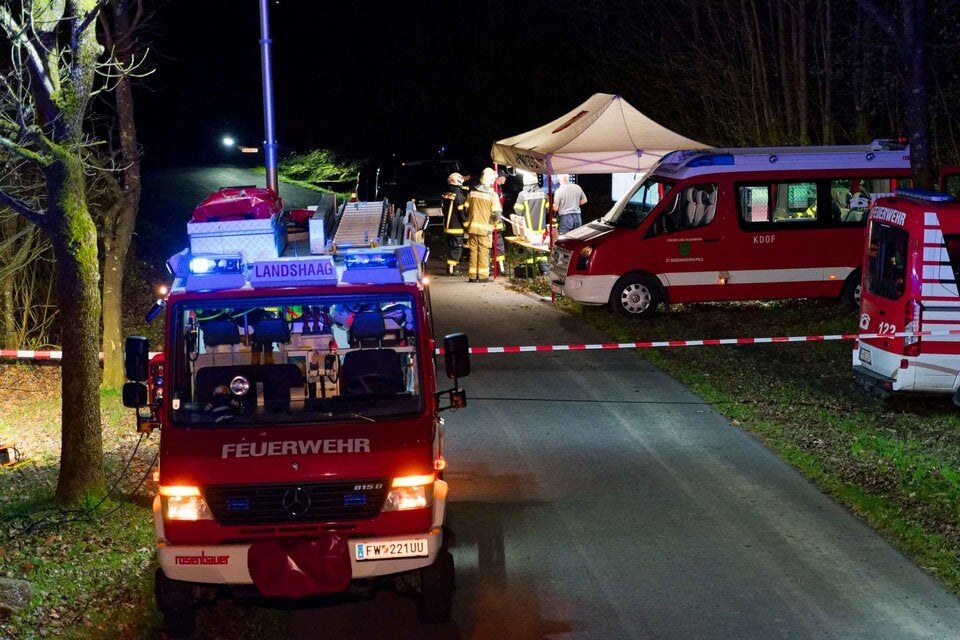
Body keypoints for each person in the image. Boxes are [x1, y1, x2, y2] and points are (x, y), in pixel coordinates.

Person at [464, 167, 502, 282]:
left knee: (473, 251)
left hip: (472, 228)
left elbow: (466, 210)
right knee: (484, 252)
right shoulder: (492, 195)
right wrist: (494, 223)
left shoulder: (472, 192)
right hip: (485, 229)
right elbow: (496, 214)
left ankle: (472, 276)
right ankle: (482, 277)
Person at [513, 171, 549, 274]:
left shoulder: (522, 195)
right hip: (541, 228)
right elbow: (547, 210)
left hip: (528, 229)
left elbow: (517, 211)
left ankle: (530, 271)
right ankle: (544, 271)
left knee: (529, 251)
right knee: (541, 249)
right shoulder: (543, 193)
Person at [441, 172, 469, 275]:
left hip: (447, 227)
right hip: (456, 227)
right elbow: (462, 213)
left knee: (451, 248)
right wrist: (467, 225)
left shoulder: (447, 194)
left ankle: (451, 268)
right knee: (456, 248)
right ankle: (451, 270)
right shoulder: (459, 196)